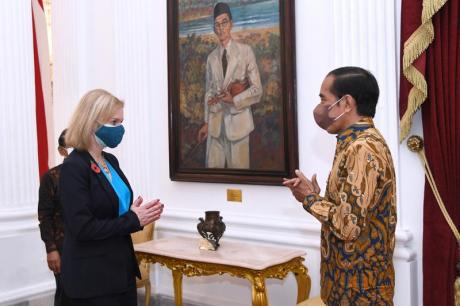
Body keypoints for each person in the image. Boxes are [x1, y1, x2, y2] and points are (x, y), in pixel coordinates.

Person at [283, 67, 397, 305]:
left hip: (359, 290)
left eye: (324, 99)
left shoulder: (361, 148)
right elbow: (351, 213)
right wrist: (316, 197)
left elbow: (348, 226)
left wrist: (310, 199)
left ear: (346, 103)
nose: (320, 107)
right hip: (347, 287)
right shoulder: (355, 141)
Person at [59, 89, 164, 305]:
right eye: (114, 122)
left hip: (120, 270)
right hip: (92, 279)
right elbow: (82, 228)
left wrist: (133, 212)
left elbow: (110, 210)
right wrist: (132, 219)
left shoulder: (111, 161)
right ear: (91, 122)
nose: (120, 129)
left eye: (121, 122)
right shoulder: (74, 167)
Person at [197, 2, 263, 169]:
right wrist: (206, 122)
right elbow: (209, 92)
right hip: (215, 128)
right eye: (217, 24)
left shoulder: (245, 52)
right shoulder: (211, 58)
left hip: (239, 127)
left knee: (241, 177)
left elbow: (257, 90)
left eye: (224, 22)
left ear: (231, 24)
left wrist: (234, 99)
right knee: (212, 178)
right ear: (213, 28)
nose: (221, 28)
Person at [38, 129, 70, 306]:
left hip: (89, 245)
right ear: (61, 151)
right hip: (62, 246)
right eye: (71, 146)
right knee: (66, 294)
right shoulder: (51, 177)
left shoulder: (93, 173)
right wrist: (51, 249)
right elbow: (44, 216)